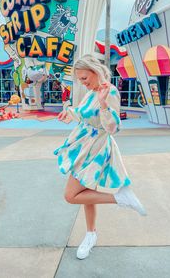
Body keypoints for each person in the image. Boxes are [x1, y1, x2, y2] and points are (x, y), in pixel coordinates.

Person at [54, 55, 146, 260]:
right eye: (80, 80)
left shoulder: (108, 91)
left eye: (85, 78)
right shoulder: (92, 92)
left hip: (95, 151)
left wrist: (104, 104)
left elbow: (112, 128)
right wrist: (69, 113)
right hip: (84, 147)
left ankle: (120, 198)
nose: (83, 83)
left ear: (96, 72)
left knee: (71, 195)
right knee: (87, 192)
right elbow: (84, 113)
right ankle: (91, 234)